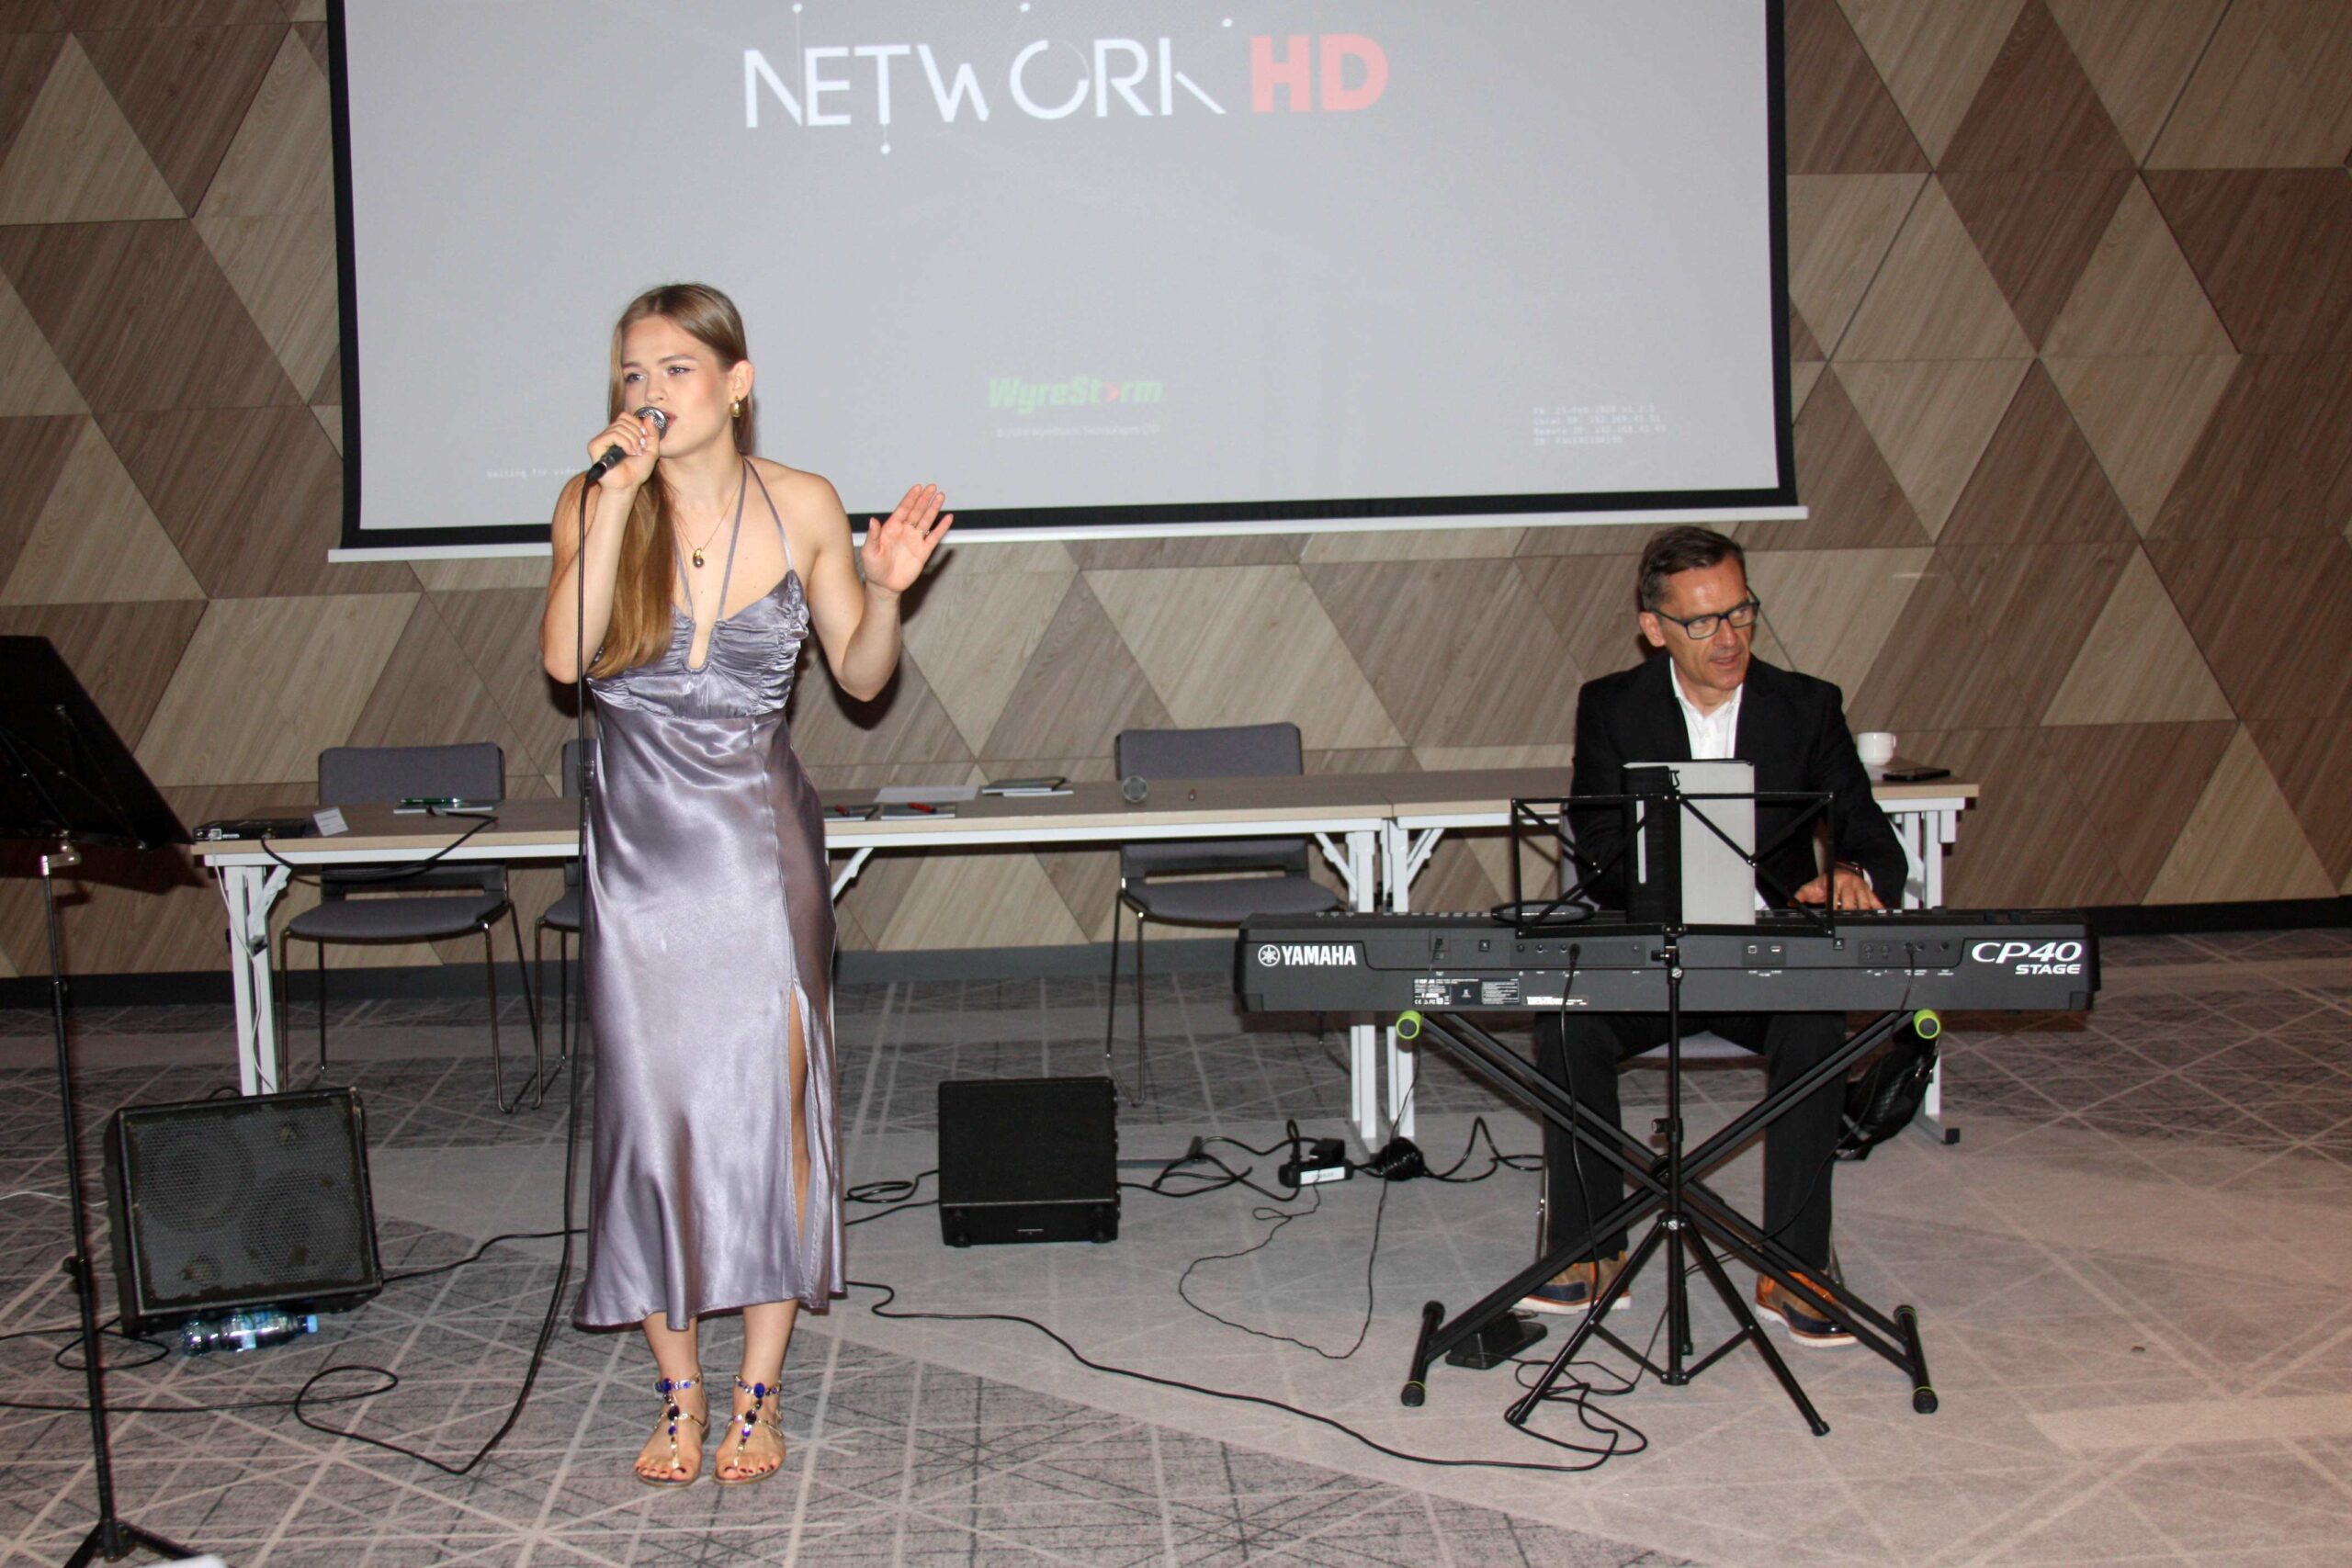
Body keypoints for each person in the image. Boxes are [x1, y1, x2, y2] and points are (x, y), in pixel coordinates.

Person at [541, 283, 950, 1484]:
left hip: (758, 851)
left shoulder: (802, 501)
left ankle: (757, 1394)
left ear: (736, 382)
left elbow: (862, 678)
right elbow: (565, 660)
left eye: (675, 369)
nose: (649, 392)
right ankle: (678, 1391)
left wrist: (886, 588)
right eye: (632, 373)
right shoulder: (593, 499)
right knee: (651, 1115)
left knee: (771, 1113)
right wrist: (616, 499)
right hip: (640, 856)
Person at [1522, 525, 1905, 1347]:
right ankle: (1591, 1245)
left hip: (1761, 960)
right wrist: (1664, 886)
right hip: (1653, 948)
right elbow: (1600, 849)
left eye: (1740, 612)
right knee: (1566, 1021)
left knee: (1815, 1027)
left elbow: (1870, 836)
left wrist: (1853, 875)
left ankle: (1794, 1263)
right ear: (1654, 628)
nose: (1728, 638)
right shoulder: (1612, 705)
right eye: (1701, 621)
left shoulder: (1807, 705)